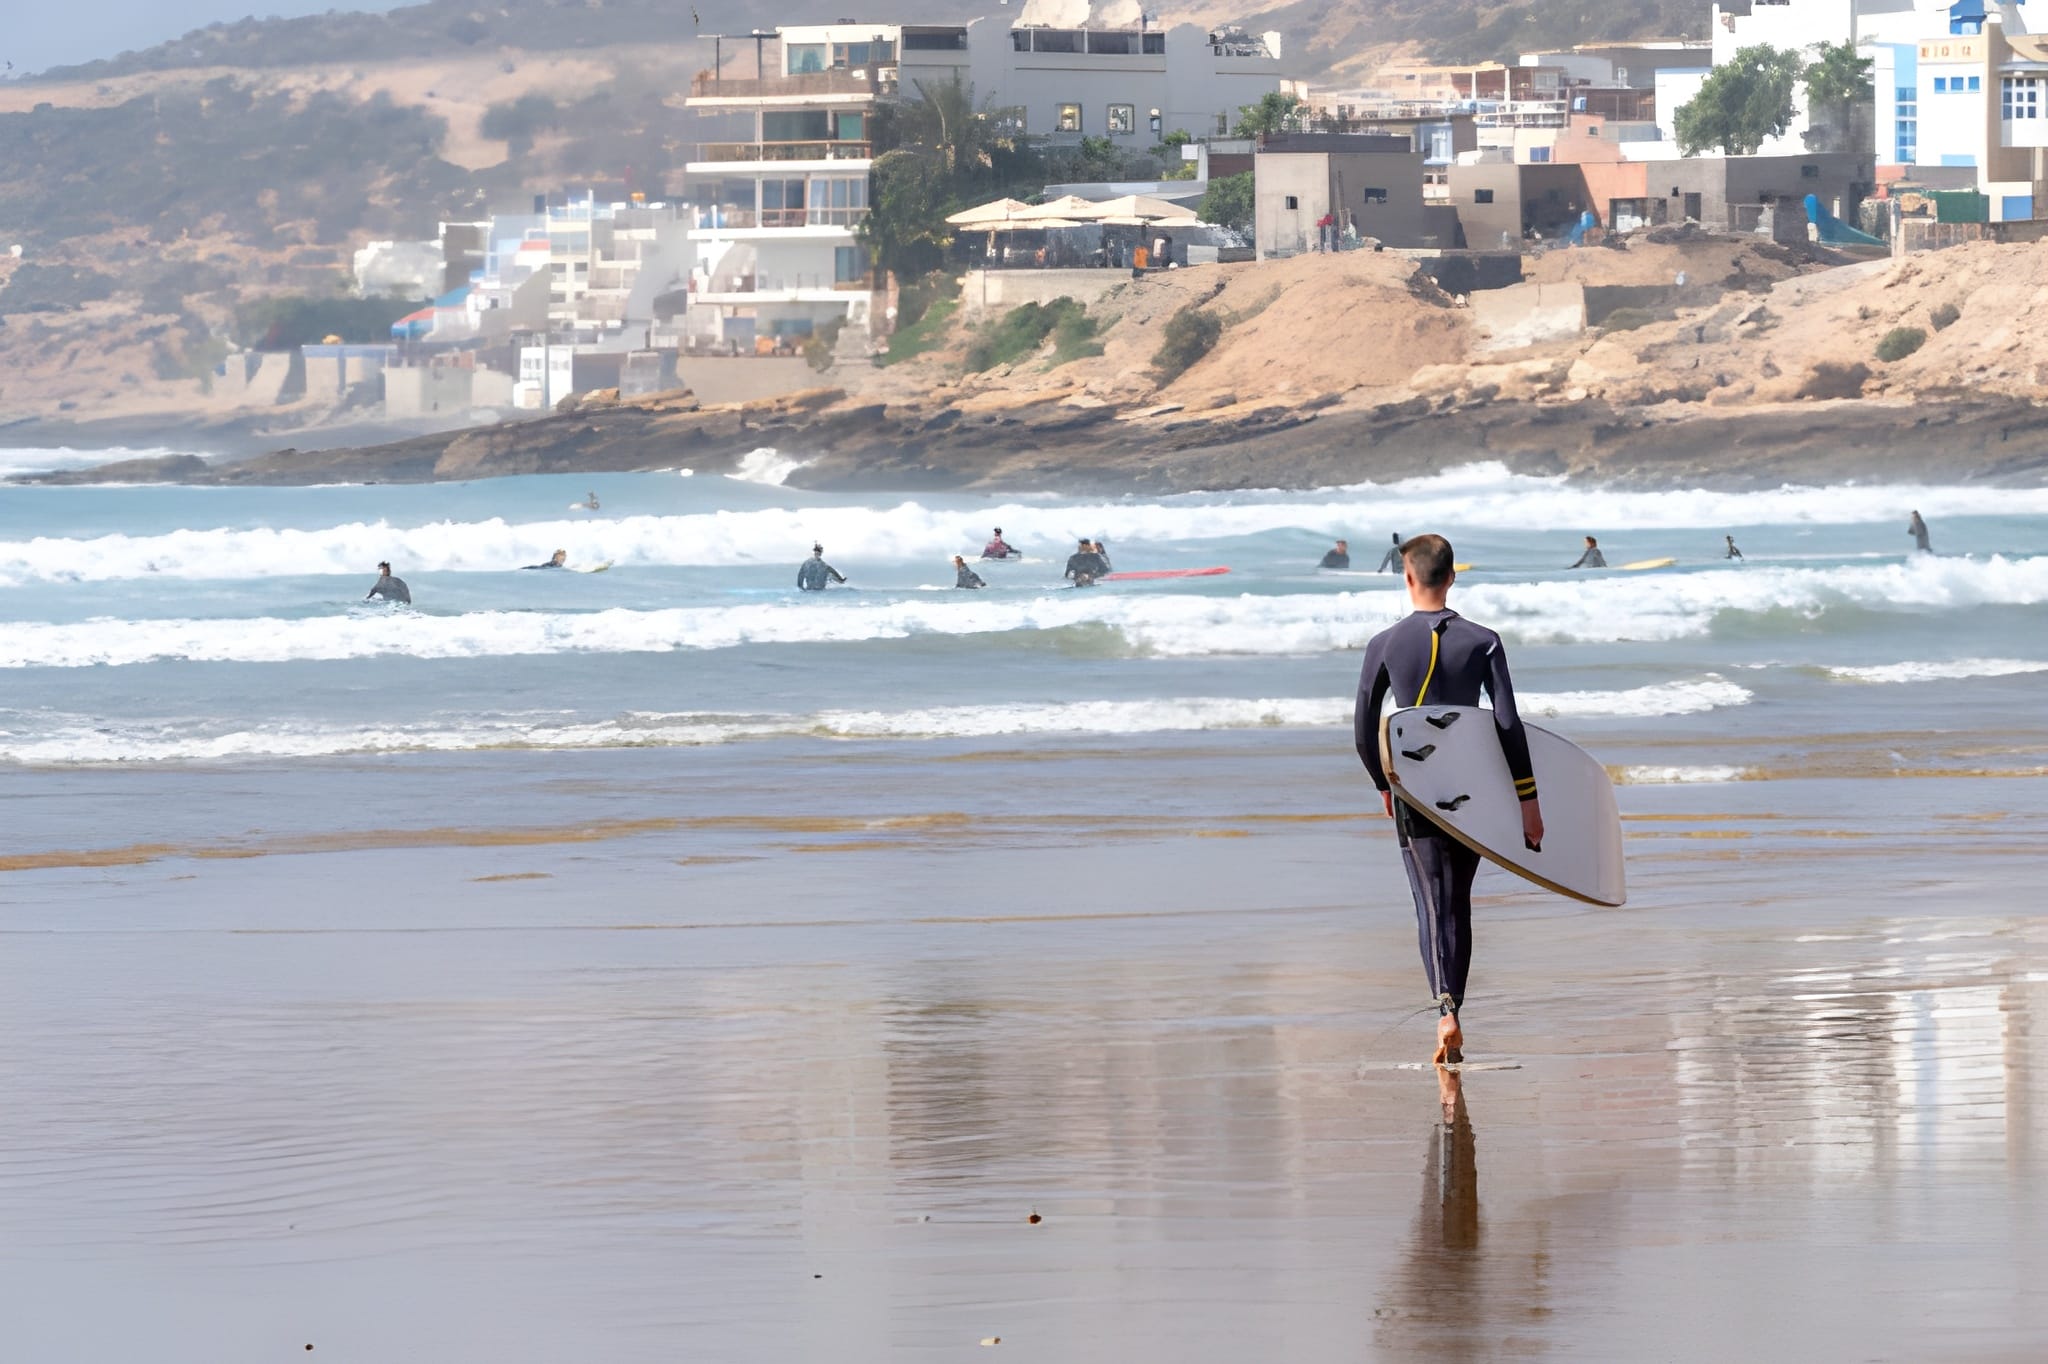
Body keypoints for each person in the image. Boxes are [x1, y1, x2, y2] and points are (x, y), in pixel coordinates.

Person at [1354, 534, 1543, 1065]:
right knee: (1456, 900)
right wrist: (1527, 800)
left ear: (1408, 577)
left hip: (1414, 788)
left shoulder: (1384, 644)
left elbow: (1364, 730)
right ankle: (1453, 1007)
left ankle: (1446, 1011)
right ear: (1453, 577)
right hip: (1472, 788)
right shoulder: (1484, 641)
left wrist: (1382, 782)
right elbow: (1507, 724)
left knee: (1430, 900)